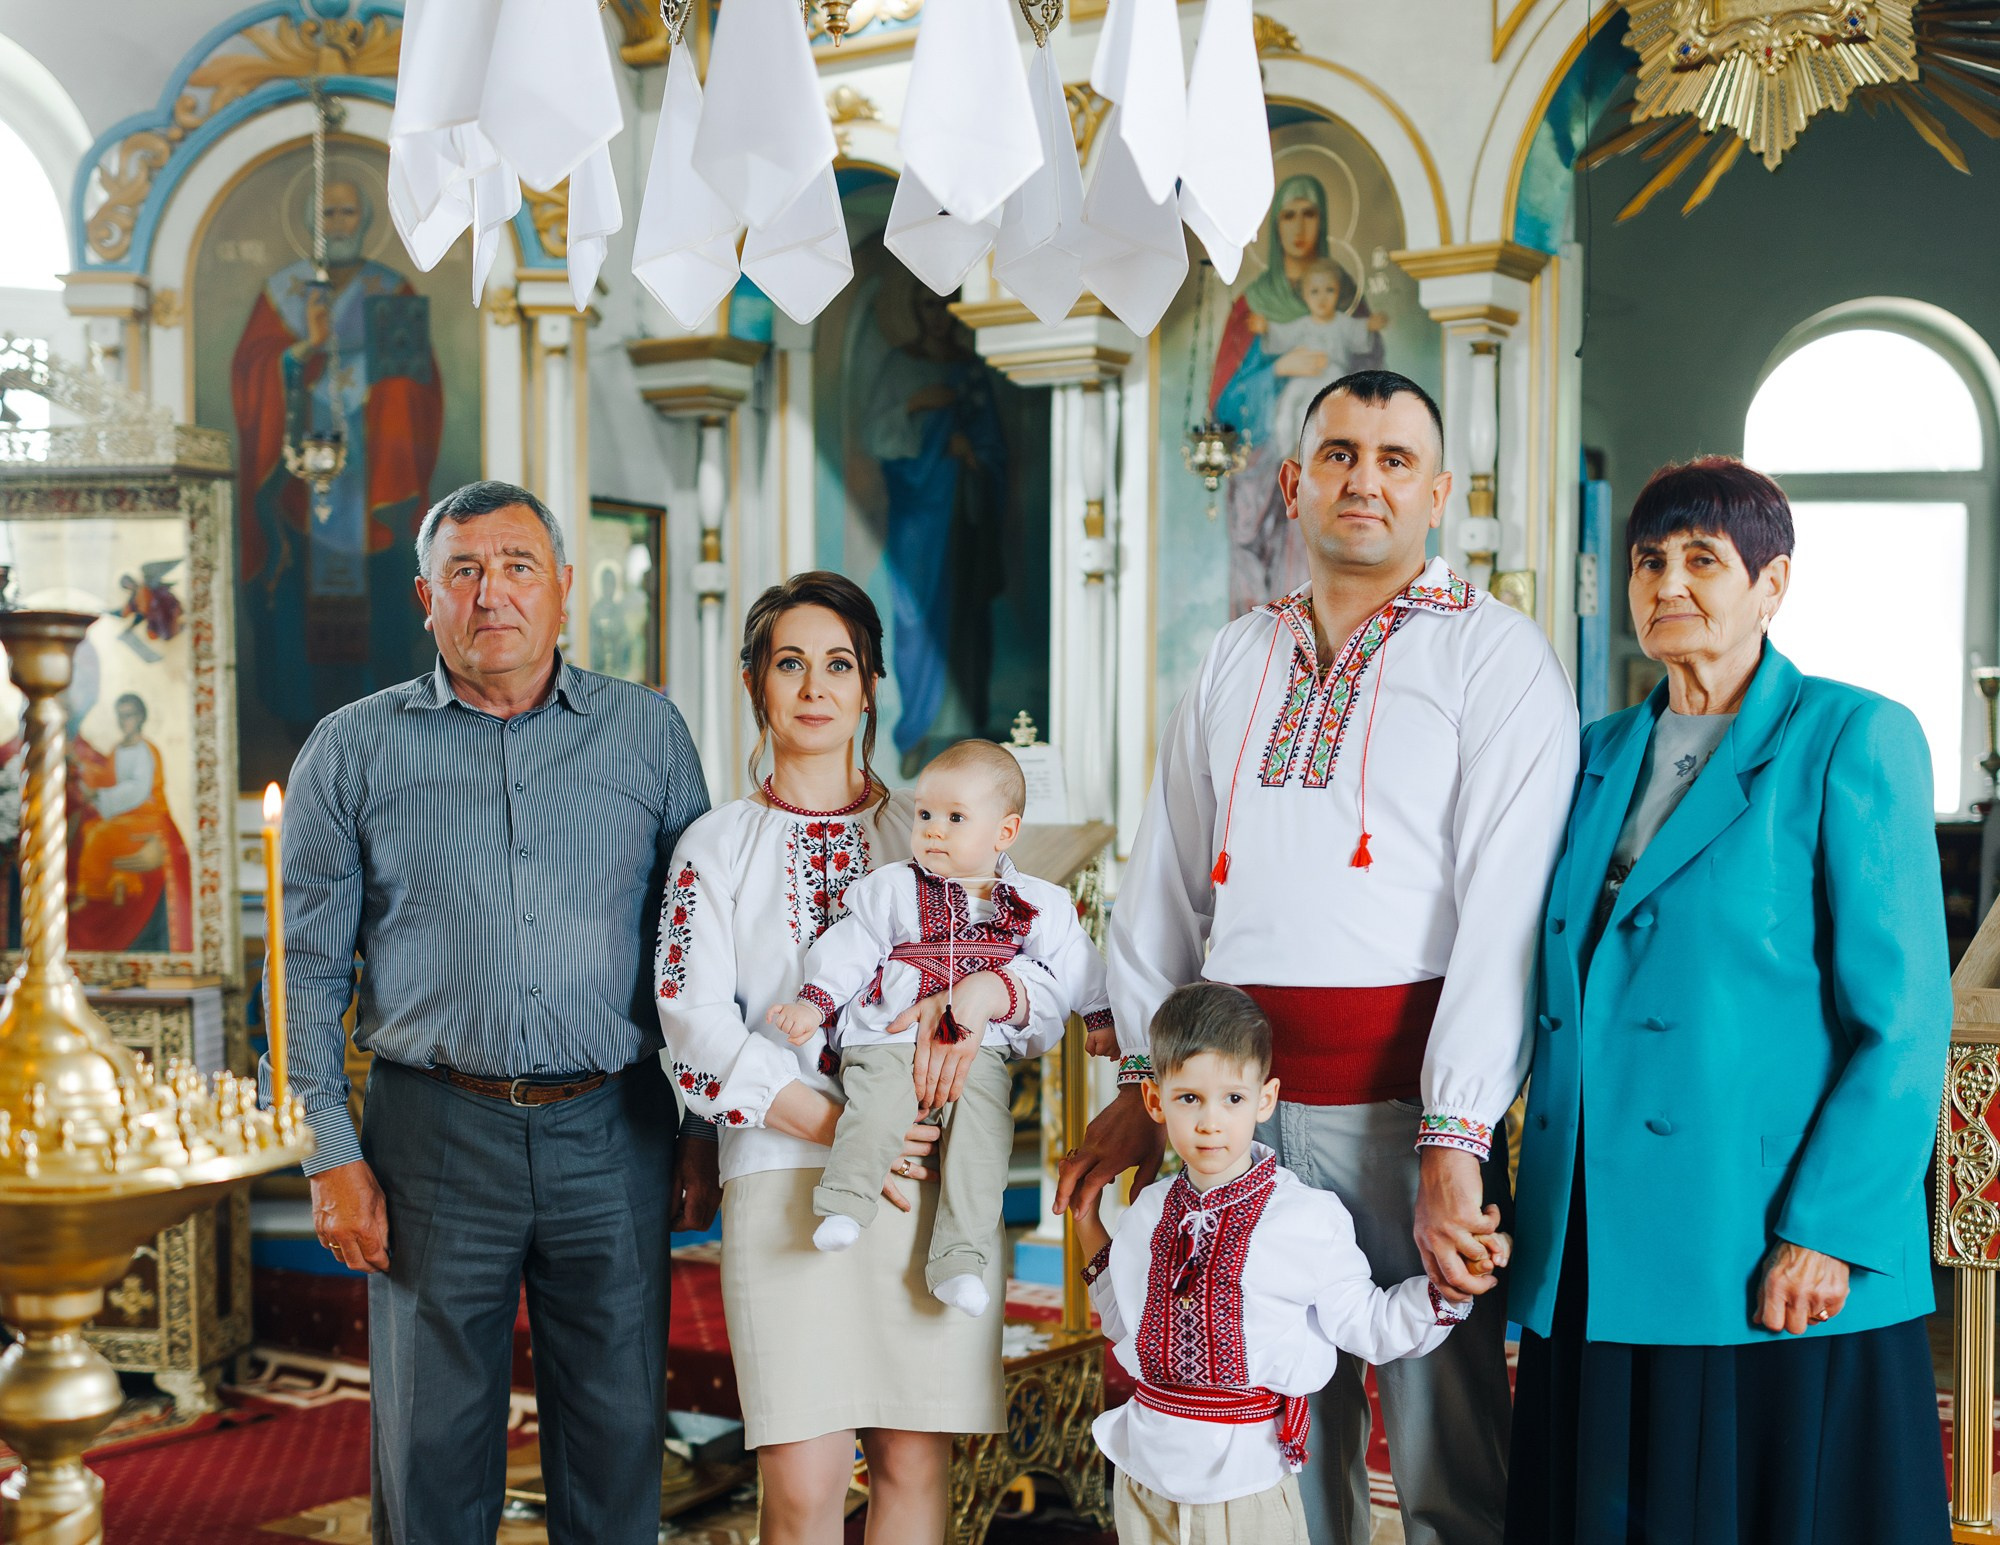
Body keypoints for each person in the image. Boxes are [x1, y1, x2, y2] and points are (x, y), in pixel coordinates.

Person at [1060, 369, 1578, 1545]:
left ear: (1437, 492)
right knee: (1272, 1428)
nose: (1365, 478)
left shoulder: (1493, 660)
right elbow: (1166, 881)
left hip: (1402, 1110)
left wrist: (1455, 1138)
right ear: (1292, 485)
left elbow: (1505, 915)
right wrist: (1152, 1090)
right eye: (1339, 453)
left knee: (1443, 1436)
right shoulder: (1235, 655)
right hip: (1234, 1113)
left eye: (1395, 459)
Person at [1506, 456, 1952, 1545]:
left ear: (1771, 583)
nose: (1667, 583)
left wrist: (1828, 1232)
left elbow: (1901, 1024)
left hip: (1763, 1247)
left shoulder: (1851, 735)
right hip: (1593, 1240)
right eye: (1648, 560)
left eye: (1702, 560)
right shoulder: (1590, 753)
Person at [272, 479, 712, 1545]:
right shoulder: (351, 750)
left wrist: (702, 1131)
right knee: (430, 1455)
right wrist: (329, 1152)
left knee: (616, 1442)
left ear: (565, 588)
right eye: (463, 572)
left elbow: (702, 953)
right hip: (430, 1132)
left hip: (613, 1128)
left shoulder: (647, 737)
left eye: (517, 567)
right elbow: (302, 972)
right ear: (426, 597)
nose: (491, 595)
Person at [656, 572, 1072, 1545]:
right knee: (801, 1485)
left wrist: (979, 999)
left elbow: (1042, 980)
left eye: (837, 664)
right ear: (755, 682)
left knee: (913, 1466)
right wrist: (835, 1125)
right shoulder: (714, 848)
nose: (813, 687)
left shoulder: (929, 830)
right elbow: (692, 1028)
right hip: (783, 1173)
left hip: (929, 1178)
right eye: (788, 663)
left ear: (870, 684)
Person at [1074, 983, 1476, 1545]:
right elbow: (1126, 1326)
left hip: (1247, 1484)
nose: (1211, 1121)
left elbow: (1368, 1325)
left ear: (1265, 1099)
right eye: (1189, 1098)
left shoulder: (1305, 1218)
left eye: (1232, 1099)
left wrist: (1448, 1290)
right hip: (1144, 1474)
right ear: (1154, 1101)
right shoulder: (1148, 1210)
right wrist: (1087, 1224)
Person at [768, 738, 1113, 1316]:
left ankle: (962, 1259)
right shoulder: (893, 888)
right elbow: (849, 948)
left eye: (955, 818)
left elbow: (1078, 962)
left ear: (1004, 833)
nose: (933, 830)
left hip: (978, 1051)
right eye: (925, 814)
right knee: (875, 1104)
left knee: (983, 1139)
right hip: (889, 1033)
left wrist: (1099, 1017)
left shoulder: (1037, 903)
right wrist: (814, 1002)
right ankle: (847, 1199)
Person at [1209, 174, 1385, 615]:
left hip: (1327, 469)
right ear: (1274, 227)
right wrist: (1279, 370)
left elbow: (1379, 398)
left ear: (1323, 221)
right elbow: (1224, 402)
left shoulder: (1349, 305)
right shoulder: (1252, 308)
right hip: (1262, 462)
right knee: (1258, 561)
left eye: (1309, 214)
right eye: (1288, 215)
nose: (1299, 227)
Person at [1264, 257, 1387, 462]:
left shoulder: (1343, 323)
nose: (1322, 298)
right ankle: (1289, 451)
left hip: (1332, 377)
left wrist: (1369, 326)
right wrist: (1265, 328)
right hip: (1304, 377)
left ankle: (1324, 448)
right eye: (1314, 291)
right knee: (1287, 405)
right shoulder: (1302, 325)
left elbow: (1358, 334)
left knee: (1325, 410)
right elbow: (1281, 336)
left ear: (1338, 293)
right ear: (1304, 296)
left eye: (1329, 290)